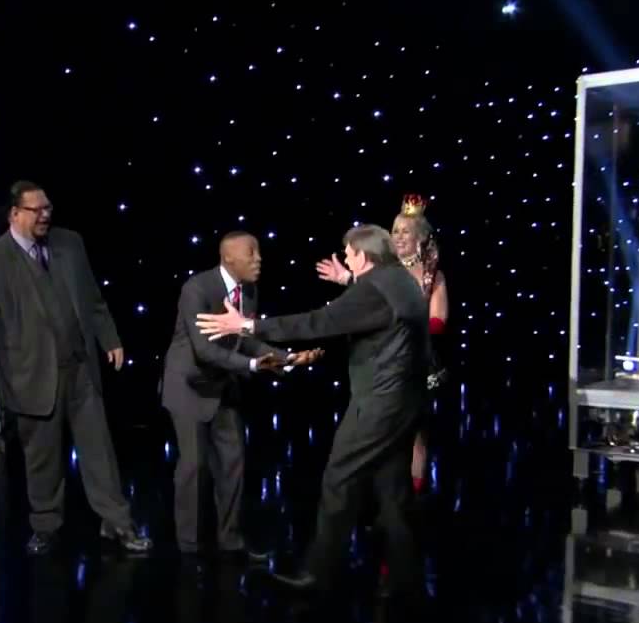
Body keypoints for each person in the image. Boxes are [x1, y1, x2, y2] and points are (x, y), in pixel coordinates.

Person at [196, 225, 429, 594]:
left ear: (363, 255)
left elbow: (318, 322)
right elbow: (379, 307)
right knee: (393, 492)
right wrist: (350, 281)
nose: (346, 260)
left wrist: (249, 325)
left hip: (378, 404)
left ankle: (317, 575)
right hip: (406, 401)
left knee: (339, 480)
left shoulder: (373, 289)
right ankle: (406, 581)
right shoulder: (400, 279)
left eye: (349, 254)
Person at [0, 180, 151, 556]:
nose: (45, 215)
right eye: (36, 210)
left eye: (48, 208)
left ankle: (118, 523)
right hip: (30, 376)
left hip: (80, 370)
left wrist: (110, 338)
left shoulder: (70, 243)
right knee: (43, 459)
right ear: (14, 214)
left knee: (99, 452)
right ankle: (46, 526)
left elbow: (92, 297)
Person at [161, 231, 323, 559]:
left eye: (259, 252)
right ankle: (190, 547)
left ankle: (231, 541)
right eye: (251, 252)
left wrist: (287, 358)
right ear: (228, 258)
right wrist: (250, 365)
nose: (259, 259)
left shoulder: (248, 290)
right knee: (194, 466)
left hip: (224, 385)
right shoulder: (197, 288)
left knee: (233, 463)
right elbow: (204, 349)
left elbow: (246, 339)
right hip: (190, 387)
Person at [316, 194, 448, 492]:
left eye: (405, 231)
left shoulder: (432, 275)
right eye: (395, 231)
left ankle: (408, 500)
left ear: (420, 237)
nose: (398, 236)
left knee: (414, 435)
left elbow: (438, 319)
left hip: (414, 363)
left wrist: (404, 324)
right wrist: (347, 279)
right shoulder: (383, 271)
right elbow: (369, 300)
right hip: (379, 364)